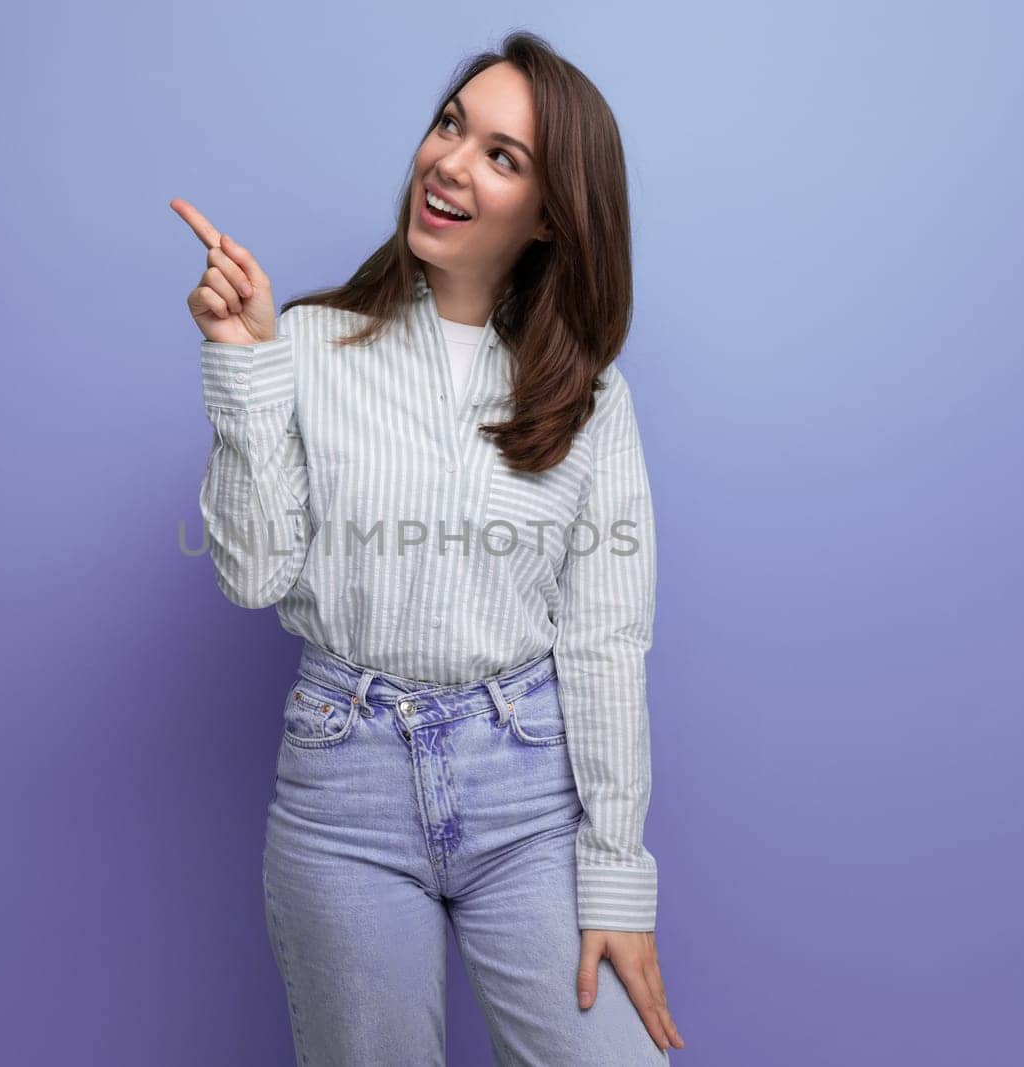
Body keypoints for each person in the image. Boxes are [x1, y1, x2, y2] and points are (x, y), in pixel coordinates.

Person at [172, 30, 685, 1065]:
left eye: (502, 154)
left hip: (528, 797)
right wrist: (242, 373)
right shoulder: (306, 343)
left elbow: (605, 639)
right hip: (343, 788)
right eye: (451, 124)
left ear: (551, 217)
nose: (450, 160)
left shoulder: (588, 400)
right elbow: (253, 573)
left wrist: (617, 876)